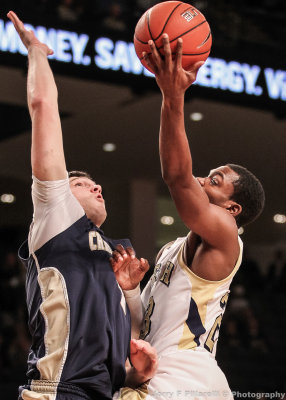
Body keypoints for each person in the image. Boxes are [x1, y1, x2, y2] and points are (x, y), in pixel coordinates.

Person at [7, 11, 157, 400]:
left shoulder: (119, 252)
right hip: (55, 389)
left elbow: (127, 342)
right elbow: (42, 104)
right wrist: (36, 52)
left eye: (95, 182)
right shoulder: (56, 219)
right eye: (79, 182)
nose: (96, 186)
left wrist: (136, 370)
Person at [111, 34, 265, 400]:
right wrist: (132, 292)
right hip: (163, 377)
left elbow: (178, 178)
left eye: (214, 181)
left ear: (232, 209)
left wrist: (172, 95)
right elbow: (144, 328)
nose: (200, 180)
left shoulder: (227, 234)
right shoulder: (172, 250)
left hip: (186, 381)